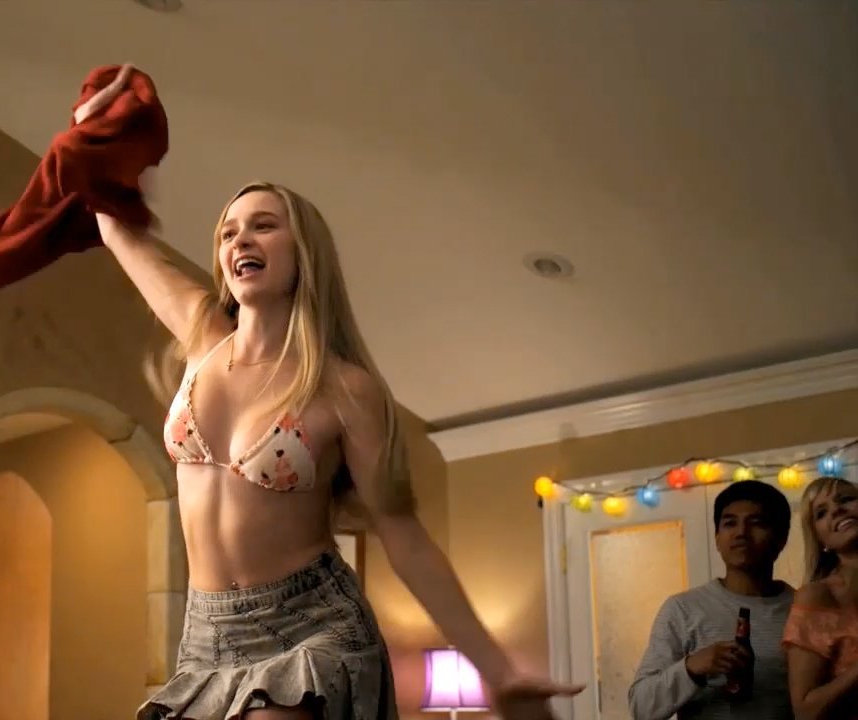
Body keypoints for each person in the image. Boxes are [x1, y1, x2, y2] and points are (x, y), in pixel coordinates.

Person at [72, 65, 583, 720]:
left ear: (303, 251)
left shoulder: (345, 389)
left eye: (263, 226)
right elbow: (116, 228)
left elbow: (404, 537)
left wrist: (496, 668)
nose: (240, 240)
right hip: (204, 639)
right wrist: (95, 135)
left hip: (311, 627)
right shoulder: (203, 337)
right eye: (228, 231)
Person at [627, 480, 795, 720]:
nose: (741, 533)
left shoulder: (804, 610)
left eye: (756, 523)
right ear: (717, 538)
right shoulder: (682, 609)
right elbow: (641, 707)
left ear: (782, 539)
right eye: (730, 523)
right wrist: (692, 668)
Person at [783, 474, 858, 720]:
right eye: (821, 513)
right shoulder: (818, 596)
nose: (837, 510)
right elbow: (805, 711)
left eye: (846, 499)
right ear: (820, 540)